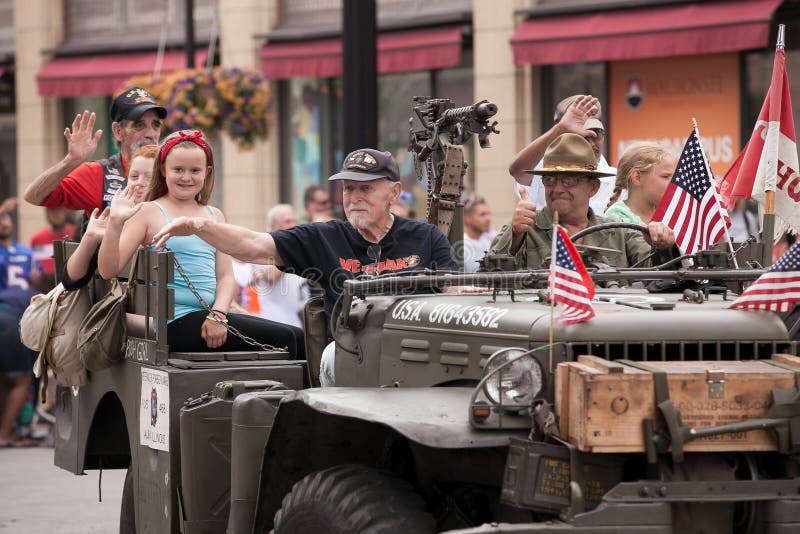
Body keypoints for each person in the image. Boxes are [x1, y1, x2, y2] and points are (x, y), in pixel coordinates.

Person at [151, 148, 460, 384]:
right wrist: (198, 226)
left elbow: (453, 289)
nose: (354, 197)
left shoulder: (426, 236)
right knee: (331, 359)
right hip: (351, 355)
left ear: (393, 192)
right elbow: (254, 245)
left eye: (365, 188)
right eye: (348, 189)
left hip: (418, 352)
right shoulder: (324, 236)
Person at [97, 130, 304, 357]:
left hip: (210, 316)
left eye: (195, 170)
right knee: (287, 339)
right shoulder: (148, 212)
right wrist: (116, 223)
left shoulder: (215, 215)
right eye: (178, 170)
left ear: (207, 172)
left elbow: (226, 277)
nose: (187, 177)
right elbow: (108, 270)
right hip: (174, 322)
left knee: (297, 334)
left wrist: (219, 314)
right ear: (163, 169)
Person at [491, 134, 676, 269]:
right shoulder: (523, 228)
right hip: (547, 321)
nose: (557, 189)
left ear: (593, 187)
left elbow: (659, 275)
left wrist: (663, 246)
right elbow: (489, 276)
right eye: (549, 179)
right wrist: (515, 237)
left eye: (569, 180)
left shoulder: (618, 231)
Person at [23, 87, 165, 217]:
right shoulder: (99, 174)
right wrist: (70, 162)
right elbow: (33, 196)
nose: (150, 134)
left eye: (156, 125)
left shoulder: (170, 170)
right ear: (118, 131)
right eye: (139, 125)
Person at [509, 95, 617, 215]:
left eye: (597, 134)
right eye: (581, 135)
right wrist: (560, 128)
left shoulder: (618, 180)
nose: (591, 143)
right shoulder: (545, 169)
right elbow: (517, 170)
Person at [232, 204, 310, 329]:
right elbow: (272, 276)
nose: (294, 224)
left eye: (295, 220)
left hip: (295, 322)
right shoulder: (264, 248)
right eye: (287, 221)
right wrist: (293, 249)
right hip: (271, 322)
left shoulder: (296, 251)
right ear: (274, 226)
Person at [0, 286, 41, 447]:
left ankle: (4, 429)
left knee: (3, 381)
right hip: (11, 326)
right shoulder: (42, 296)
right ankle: (4, 434)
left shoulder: (12, 291)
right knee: (21, 382)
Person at [604, 143, 676, 225]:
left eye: (673, 177)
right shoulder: (616, 217)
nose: (673, 183)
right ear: (637, 177)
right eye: (665, 176)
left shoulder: (669, 214)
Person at [0, 199, 35, 291]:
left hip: (25, 302)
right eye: (0, 219)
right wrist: (3, 209)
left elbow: (39, 278)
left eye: (6, 219)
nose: (4, 224)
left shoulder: (26, 251)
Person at [29, 207, 75, 276]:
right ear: (46, 213)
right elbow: (34, 268)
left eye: (59, 208)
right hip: (45, 285)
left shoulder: (76, 233)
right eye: (51, 209)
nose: (55, 213)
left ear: (66, 211)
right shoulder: (37, 239)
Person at [463, 196, 494, 273]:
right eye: (482, 214)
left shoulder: (489, 243)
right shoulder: (461, 246)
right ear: (467, 218)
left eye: (488, 214)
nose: (488, 219)